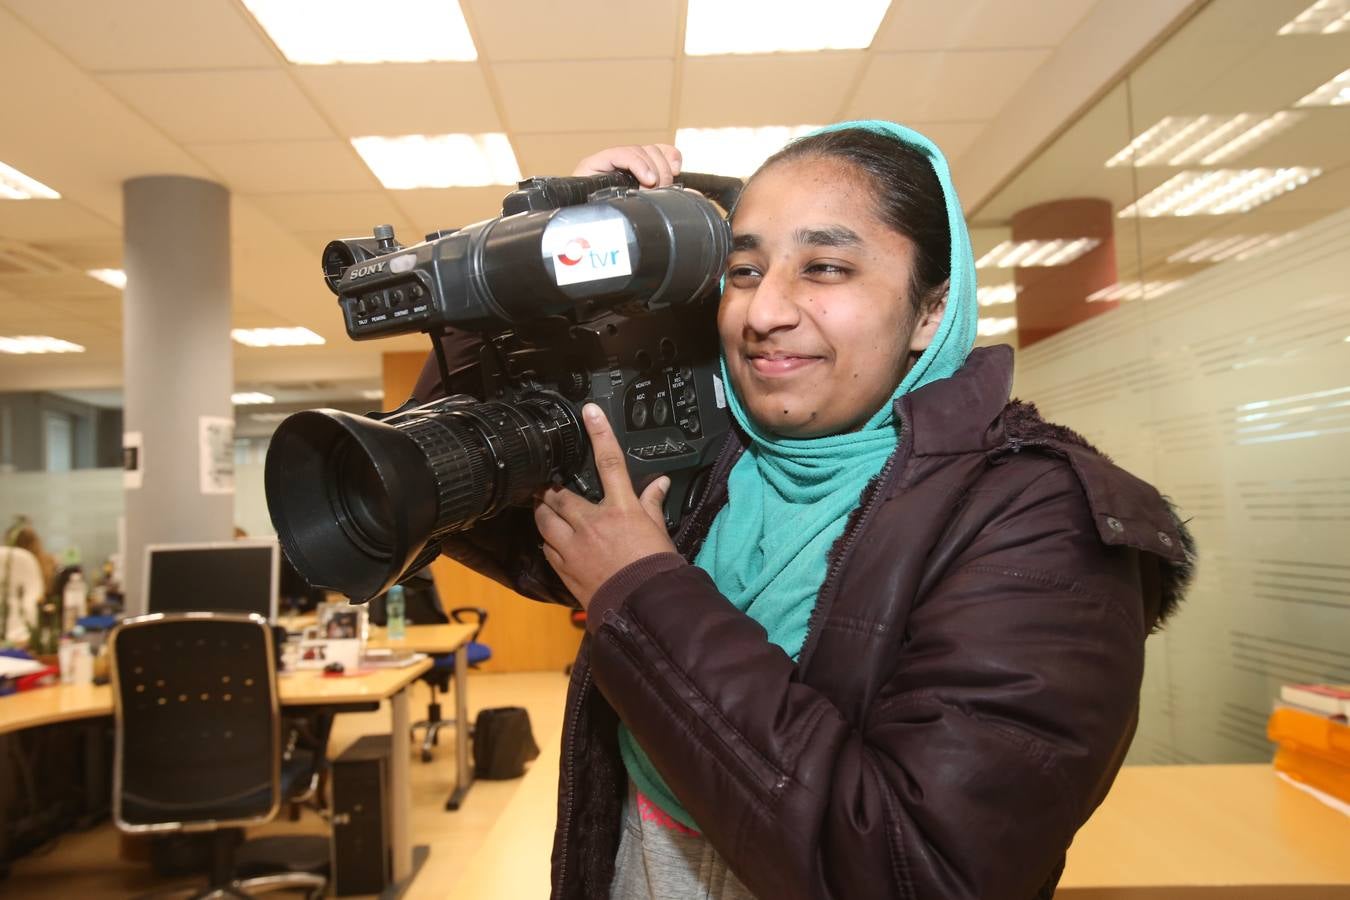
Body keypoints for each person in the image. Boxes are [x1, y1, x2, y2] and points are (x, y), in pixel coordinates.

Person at [413, 121, 1193, 900]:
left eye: (824, 267)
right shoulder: (701, 458)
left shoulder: (1040, 520)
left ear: (932, 310)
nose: (764, 312)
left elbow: (919, 869)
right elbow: (436, 492)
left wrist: (644, 592)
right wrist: (549, 263)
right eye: (744, 270)